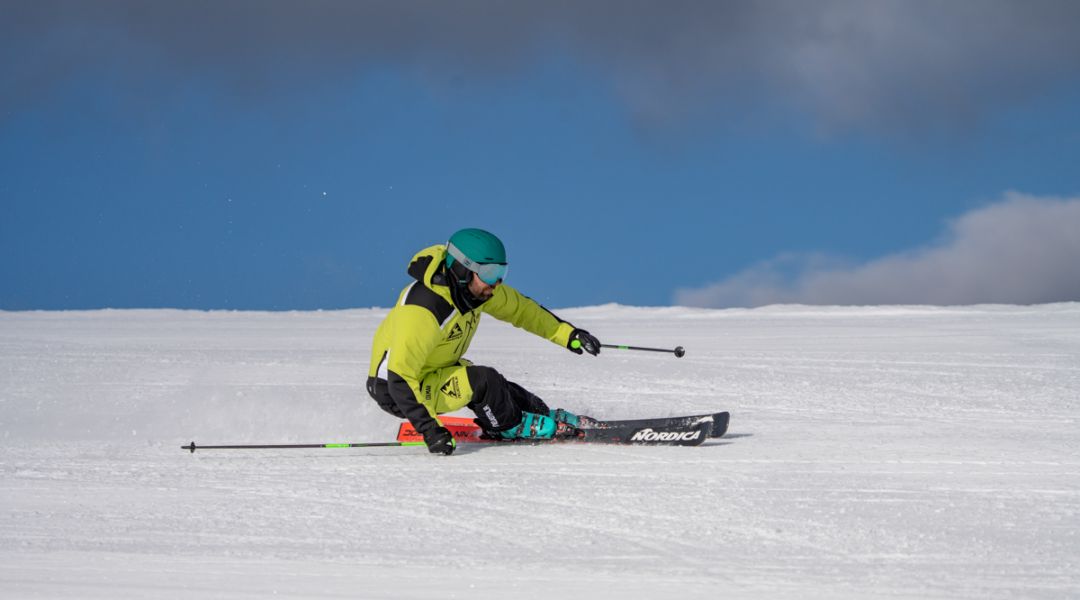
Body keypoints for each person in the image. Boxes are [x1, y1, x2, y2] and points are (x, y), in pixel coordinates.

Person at [366, 228, 601, 455]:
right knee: (482, 381)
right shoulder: (424, 310)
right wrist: (431, 430)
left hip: (432, 371)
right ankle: (508, 426)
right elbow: (400, 377)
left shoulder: (474, 291)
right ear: (461, 269)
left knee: (500, 386)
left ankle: (541, 414)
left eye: (501, 273)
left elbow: (523, 311)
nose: (496, 283)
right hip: (398, 390)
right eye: (489, 273)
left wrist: (568, 334)